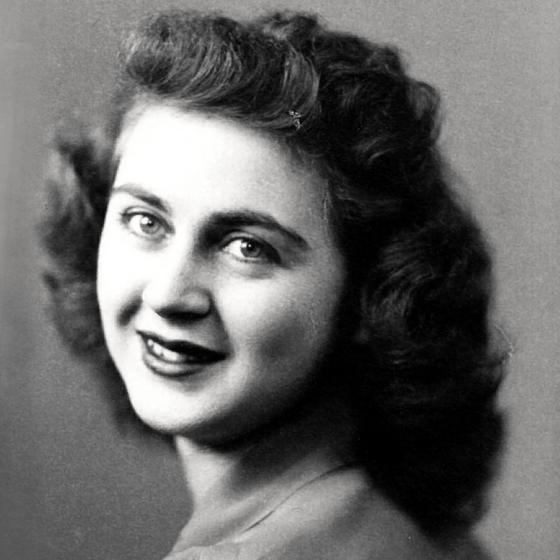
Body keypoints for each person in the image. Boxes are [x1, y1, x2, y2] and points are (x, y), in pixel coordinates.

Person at [41, 9, 505, 560]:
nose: (168, 294)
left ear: (370, 294)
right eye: (145, 221)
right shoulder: (423, 534)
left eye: (247, 247)